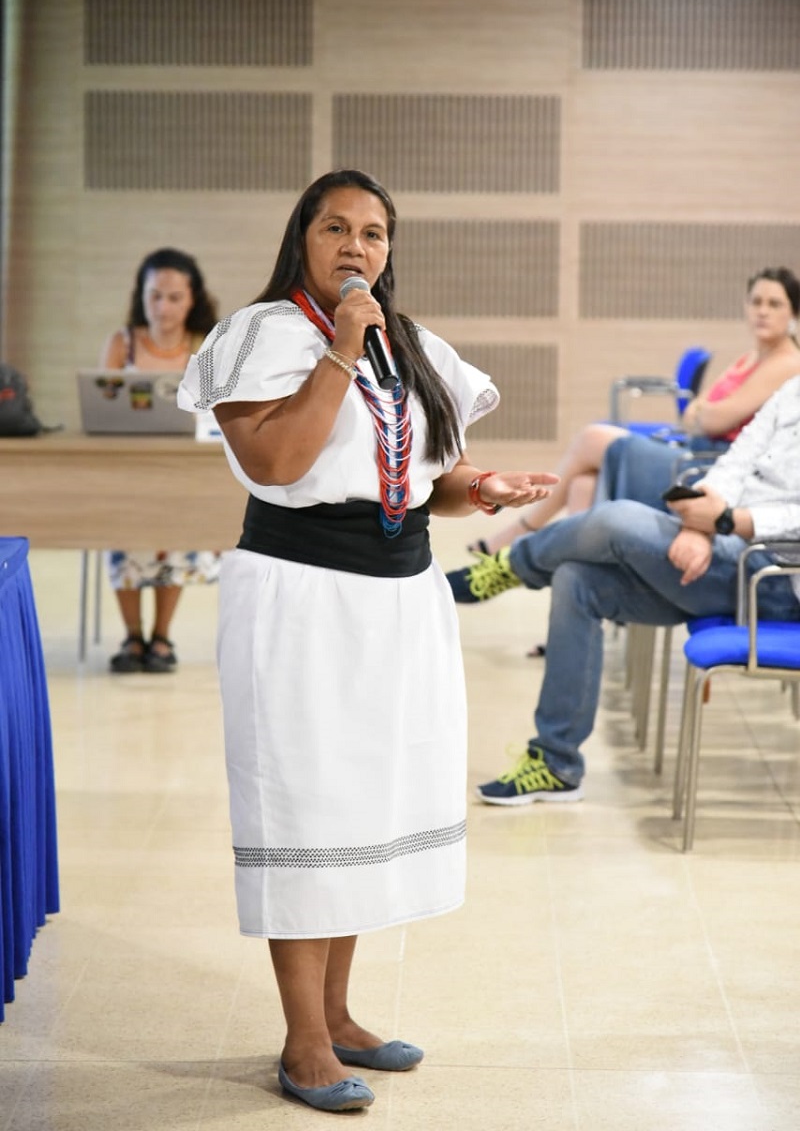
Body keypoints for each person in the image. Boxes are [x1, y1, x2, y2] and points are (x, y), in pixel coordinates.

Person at [175, 169, 557, 1113]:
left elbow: (426, 481)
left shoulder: (409, 343)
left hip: (401, 602)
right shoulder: (257, 334)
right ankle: (303, 1040)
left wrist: (484, 488)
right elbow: (278, 460)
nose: (357, 246)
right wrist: (342, 349)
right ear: (301, 237)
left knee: (364, 807)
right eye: (336, 228)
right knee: (305, 808)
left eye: (375, 232)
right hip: (300, 599)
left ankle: (340, 1016)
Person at [447, 374, 800, 806]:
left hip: (775, 578)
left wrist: (728, 521)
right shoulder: (793, 388)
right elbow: (737, 460)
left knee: (615, 520)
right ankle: (556, 764)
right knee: (576, 579)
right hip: (722, 546)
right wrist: (703, 525)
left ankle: (512, 565)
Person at [468, 266, 800, 559]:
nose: (762, 311)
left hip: (710, 470)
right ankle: (559, 562)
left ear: (794, 314)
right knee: (583, 485)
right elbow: (694, 413)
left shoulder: (787, 363)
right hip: (695, 450)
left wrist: (704, 414)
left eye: (774, 304)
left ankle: (523, 533)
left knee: (591, 438)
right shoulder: (750, 358)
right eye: (756, 302)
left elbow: (711, 419)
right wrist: (703, 414)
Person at [100, 247, 221, 674]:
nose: (163, 307)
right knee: (122, 536)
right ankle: (132, 636)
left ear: (192, 299)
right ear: (142, 295)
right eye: (154, 295)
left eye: (173, 297)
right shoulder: (123, 342)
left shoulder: (204, 346)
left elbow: (217, 410)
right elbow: (103, 402)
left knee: (175, 536)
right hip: (127, 469)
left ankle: (162, 635)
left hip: (182, 469)